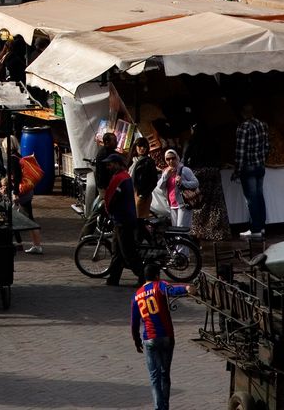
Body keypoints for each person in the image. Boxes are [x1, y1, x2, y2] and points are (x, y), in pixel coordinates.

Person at [131, 263, 193, 410]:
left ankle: (160, 408)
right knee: (165, 374)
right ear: (157, 275)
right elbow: (172, 290)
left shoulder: (136, 296)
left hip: (150, 338)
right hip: (166, 337)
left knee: (154, 377)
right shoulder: (159, 285)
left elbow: (134, 323)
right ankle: (165, 406)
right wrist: (187, 288)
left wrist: (137, 340)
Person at [104, 155, 144, 287]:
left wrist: (108, 211)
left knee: (127, 252)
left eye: (110, 164)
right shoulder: (124, 176)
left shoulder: (120, 178)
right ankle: (113, 278)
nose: (108, 167)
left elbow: (111, 198)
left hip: (123, 220)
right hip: (122, 219)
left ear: (117, 164)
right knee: (117, 251)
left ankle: (143, 277)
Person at [233, 102, 270, 238]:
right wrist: (262, 160)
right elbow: (267, 146)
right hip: (260, 166)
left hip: (248, 167)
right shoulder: (262, 125)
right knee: (259, 195)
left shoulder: (243, 127)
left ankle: (255, 229)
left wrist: (237, 170)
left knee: (251, 198)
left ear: (243, 113)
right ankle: (261, 226)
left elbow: (240, 152)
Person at [157, 149, 199, 233]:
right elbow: (160, 186)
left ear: (177, 158)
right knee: (175, 230)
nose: (171, 161)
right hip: (172, 204)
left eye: (173, 158)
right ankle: (178, 246)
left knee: (182, 229)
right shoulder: (166, 172)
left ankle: (184, 246)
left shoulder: (184, 170)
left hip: (184, 203)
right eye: (168, 159)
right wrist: (165, 176)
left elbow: (196, 183)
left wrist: (182, 182)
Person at [130, 137, 159, 221]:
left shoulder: (149, 161)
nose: (142, 148)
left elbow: (154, 181)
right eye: (140, 146)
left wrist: (143, 194)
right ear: (135, 147)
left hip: (142, 195)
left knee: (139, 220)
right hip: (133, 193)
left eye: (144, 146)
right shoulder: (133, 161)